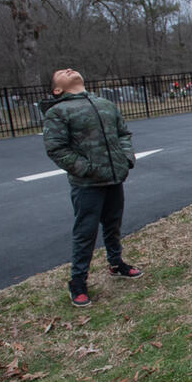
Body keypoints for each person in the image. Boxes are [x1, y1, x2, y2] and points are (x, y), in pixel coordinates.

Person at [41, 68, 143, 307]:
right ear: (57, 89)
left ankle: (116, 264)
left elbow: (123, 133)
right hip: (87, 184)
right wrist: (84, 168)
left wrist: (126, 158)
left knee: (113, 224)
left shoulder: (104, 104)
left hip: (114, 178)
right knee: (85, 232)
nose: (68, 69)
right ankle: (78, 282)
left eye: (71, 69)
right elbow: (56, 148)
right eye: (62, 72)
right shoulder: (58, 112)